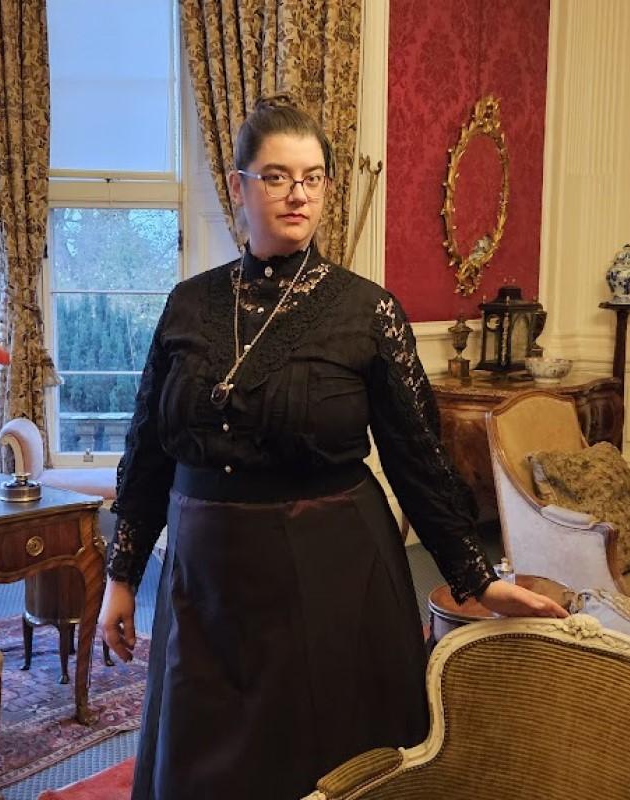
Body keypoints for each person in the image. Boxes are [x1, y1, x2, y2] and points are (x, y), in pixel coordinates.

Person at [98, 94, 565, 799]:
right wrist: (122, 576)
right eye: (278, 176)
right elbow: (148, 450)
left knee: (318, 762)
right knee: (201, 763)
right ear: (238, 187)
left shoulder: (367, 311)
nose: (298, 194)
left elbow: (419, 461)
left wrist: (480, 577)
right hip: (204, 574)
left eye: (313, 177)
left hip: (327, 571)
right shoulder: (187, 305)